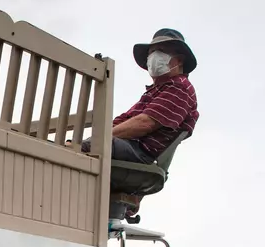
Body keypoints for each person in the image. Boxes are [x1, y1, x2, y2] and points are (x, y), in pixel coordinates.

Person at [84, 28, 199, 220]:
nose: (154, 57)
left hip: (141, 154)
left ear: (179, 60)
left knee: (91, 146)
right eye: (151, 52)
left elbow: (144, 123)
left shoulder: (180, 88)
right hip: (132, 148)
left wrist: (99, 138)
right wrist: (101, 132)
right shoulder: (155, 91)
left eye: (161, 50)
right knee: (85, 144)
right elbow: (125, 119)